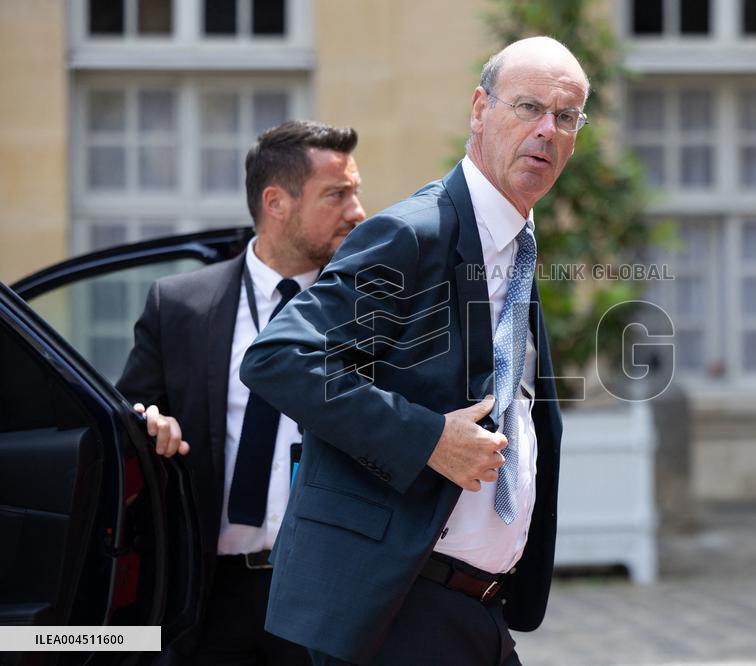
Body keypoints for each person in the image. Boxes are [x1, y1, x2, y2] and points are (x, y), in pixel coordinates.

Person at [240, 37, 588, 665]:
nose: (546, 131)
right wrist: (427, 439)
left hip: (478, 609)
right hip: (396, 611)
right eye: (529, 107)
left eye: (565, 118)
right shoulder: (412, 233)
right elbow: (281, 358)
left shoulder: (516, 242)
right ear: (480, 109)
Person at [116, 119, 366, 665]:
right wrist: (150, 423)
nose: (357, 211)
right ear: (277, 202)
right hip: (209, 595)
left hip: (321, 593)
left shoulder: (368, 312)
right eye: (338, 194)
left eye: (356, 192)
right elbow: (128, 419)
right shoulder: (178, 305)